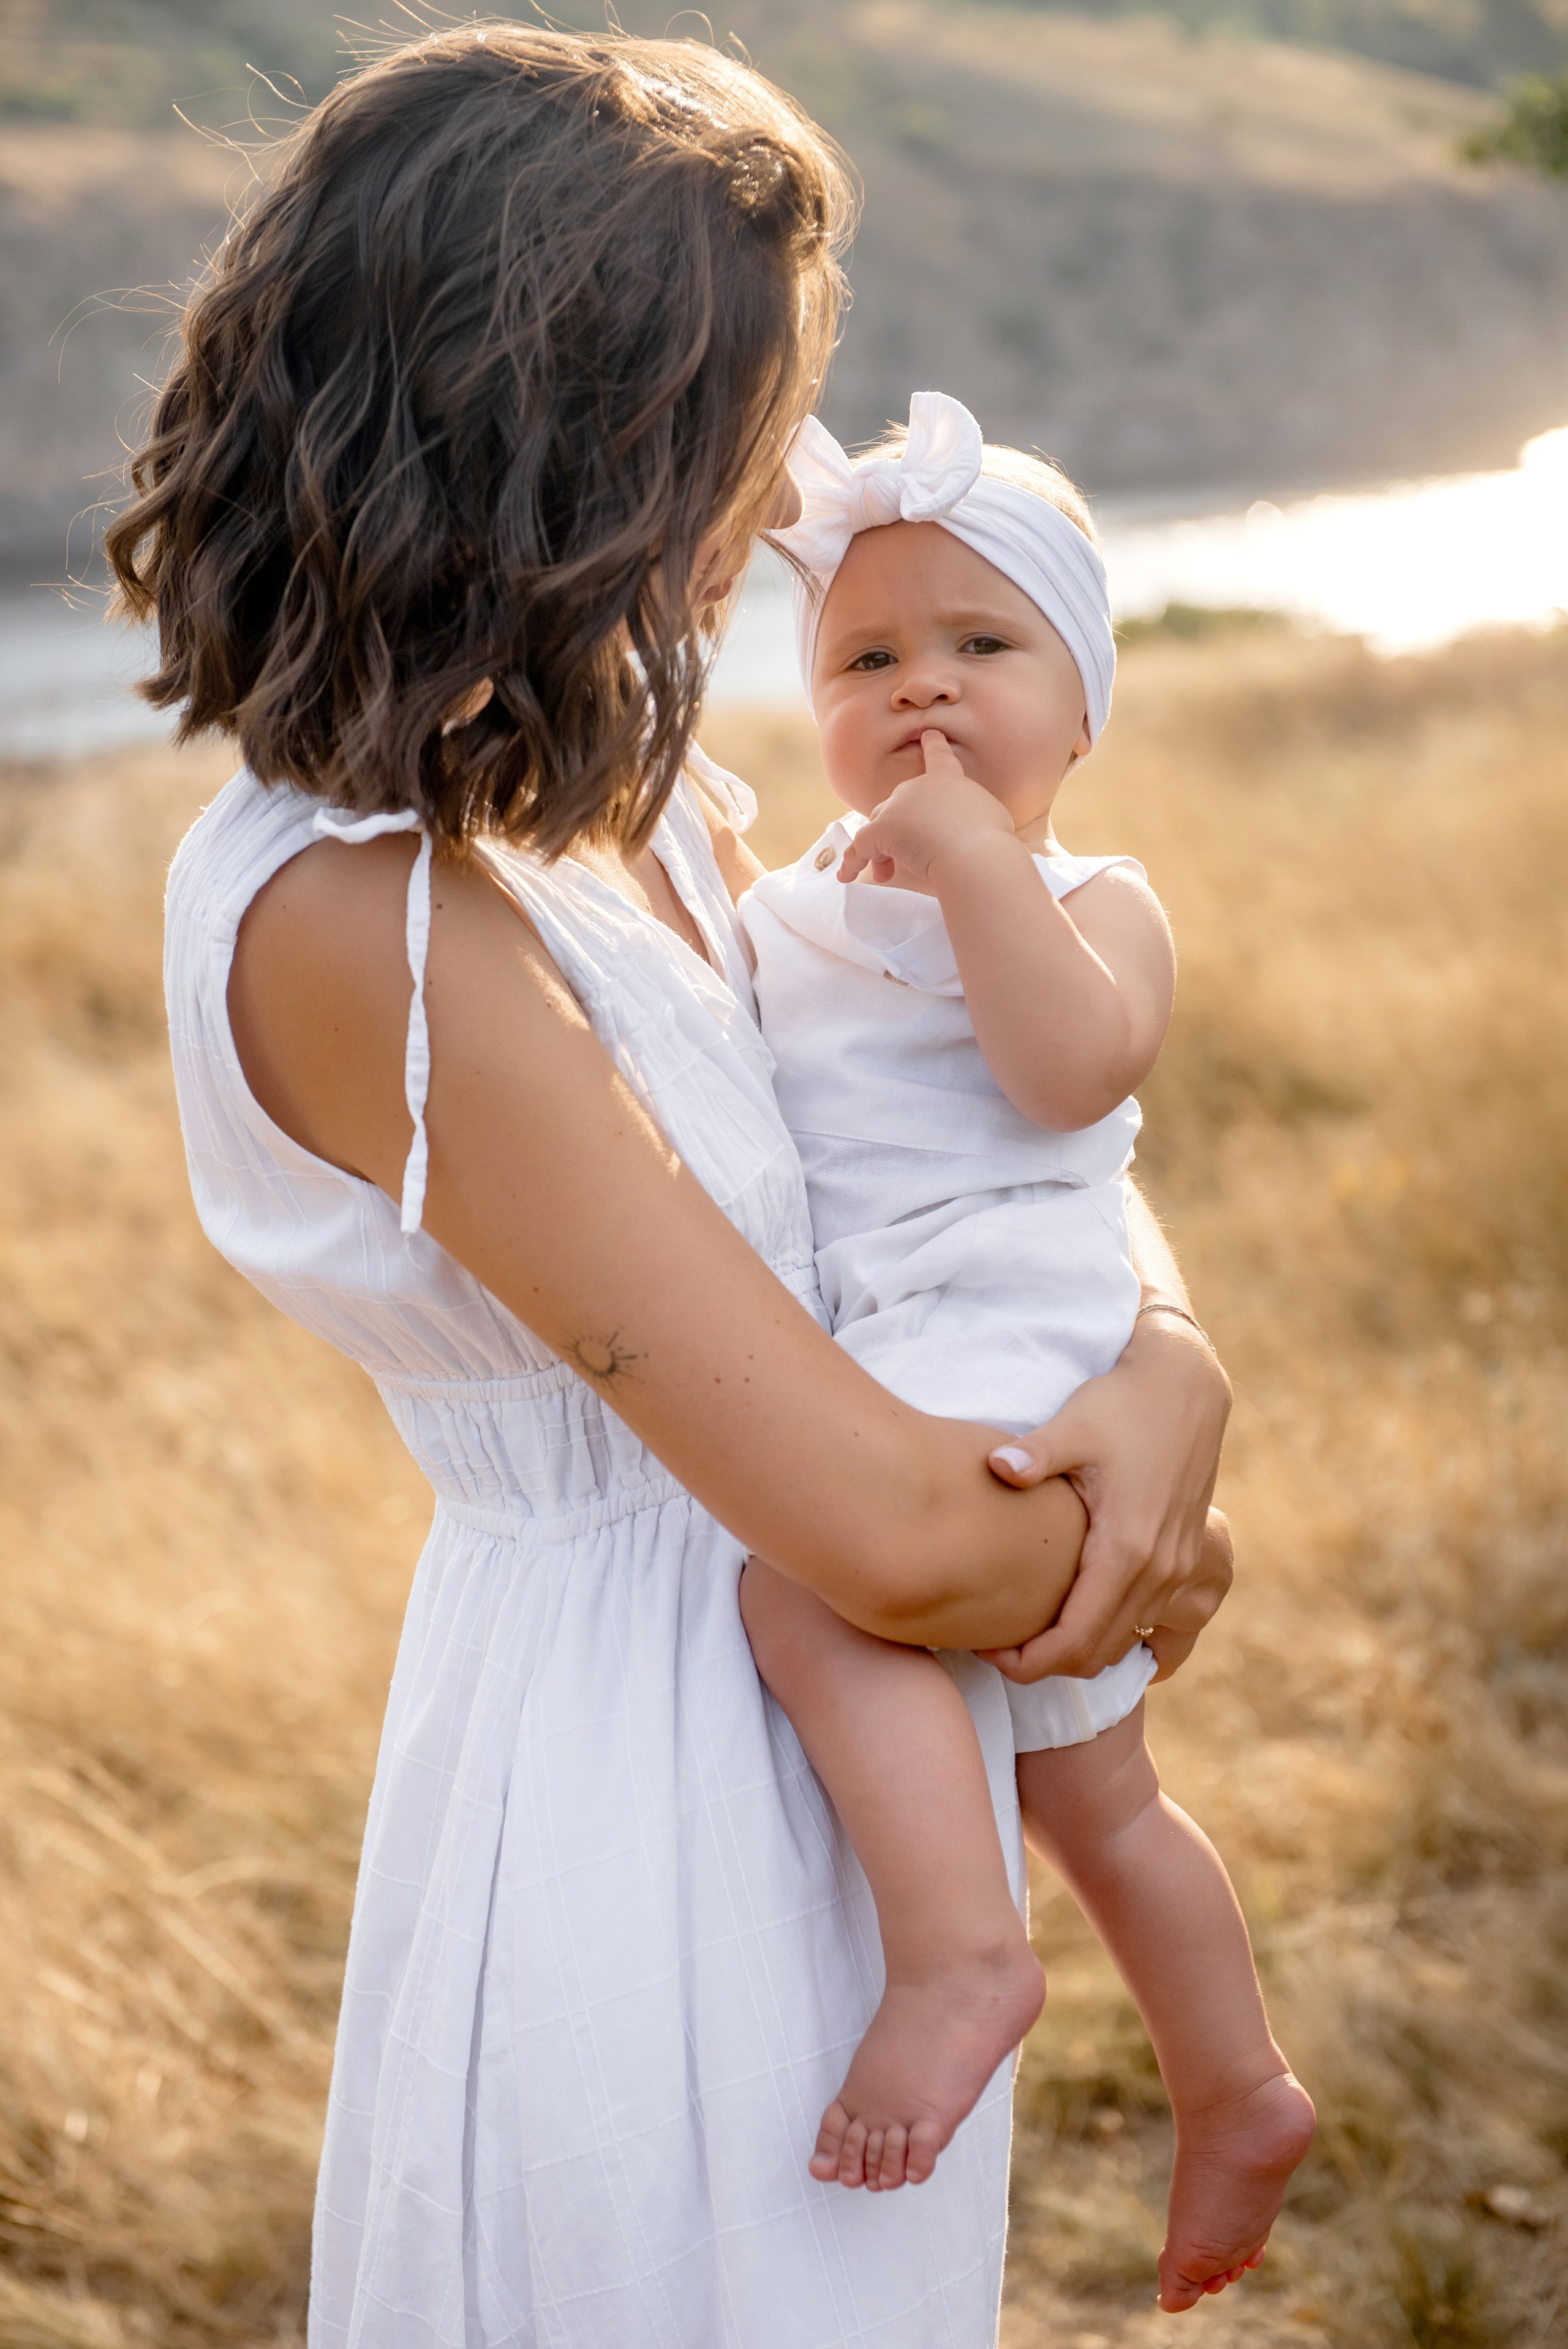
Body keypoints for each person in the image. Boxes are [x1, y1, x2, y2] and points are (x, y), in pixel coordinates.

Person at [111, 26, 1235, 2348]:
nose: (765, 514)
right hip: (640, 1798)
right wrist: (1136, 1546)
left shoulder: (648, 803)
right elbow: (898, 1536)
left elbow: (952, 1136)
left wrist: (1171, 1351)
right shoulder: (365, 924)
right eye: (734, 441)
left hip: (845, 1769)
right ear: (566, 450)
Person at [736, 394, 1315, 2310]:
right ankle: (1237, 2084)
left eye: (983, 647)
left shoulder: (1092, 902)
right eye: (866, 658)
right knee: (1099, 1794)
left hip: (1023, 1356)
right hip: (903, 1351)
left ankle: (962, 1951)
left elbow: (1073, 1069)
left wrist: (978, 864)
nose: (923, 694)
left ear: (1082, 713)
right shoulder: (781, 915)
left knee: (811, 1597)